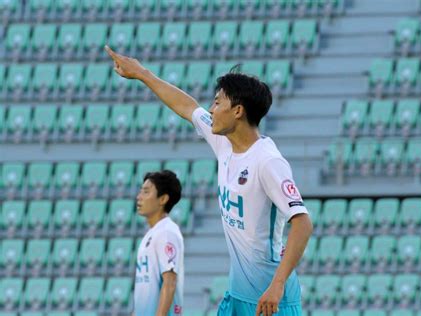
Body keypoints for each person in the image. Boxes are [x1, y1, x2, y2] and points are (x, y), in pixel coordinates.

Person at [106, 45, 313, 316]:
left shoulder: (267, 161)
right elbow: (187, 106)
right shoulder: (223, 142)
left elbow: (303, 222)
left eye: (217, 102)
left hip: (270, 298)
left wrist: (277, 285)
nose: (211, 109)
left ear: (237, 111)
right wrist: (142, 74)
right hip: (238, 293)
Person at [134, 170, 184, 316]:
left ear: (162, 199)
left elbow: (170, 282)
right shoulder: (151, 235)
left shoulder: (166, 233)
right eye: (140, 191)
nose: (139, 197)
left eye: (146, 192)